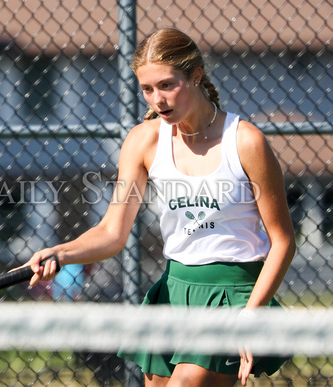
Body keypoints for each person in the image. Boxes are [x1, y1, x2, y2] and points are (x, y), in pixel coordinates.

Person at [18, 27, 296, 387]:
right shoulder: (143, 140)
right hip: (173, 290)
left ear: (196, 76)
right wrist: (60, 252)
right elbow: (112, 231)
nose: (157, 99)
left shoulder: (245, 141)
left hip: (234, 294)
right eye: (147, 89)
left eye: (167, 85)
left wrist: (251, 314)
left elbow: (283, 240)